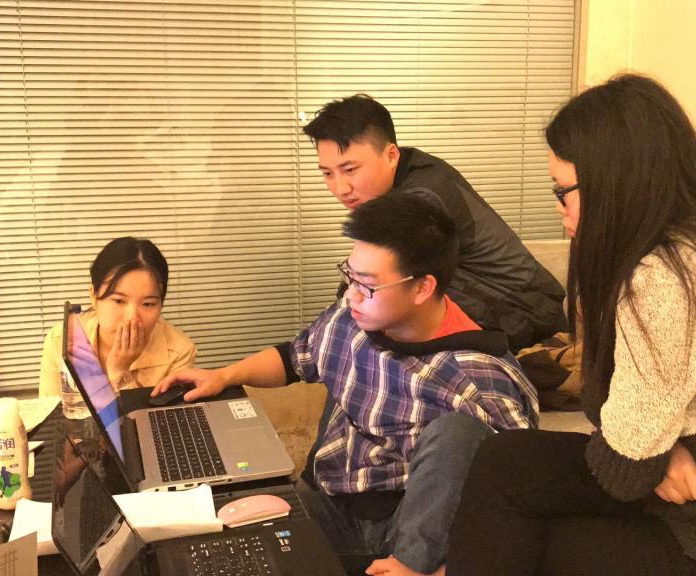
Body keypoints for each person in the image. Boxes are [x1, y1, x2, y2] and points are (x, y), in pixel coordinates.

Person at [444, 74, 696, 576]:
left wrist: (651, 457)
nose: (559, 211)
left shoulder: (667, 280)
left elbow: (623, 467)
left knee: (522, 513)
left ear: (616, 183)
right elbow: (608, 410)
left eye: (562, 192)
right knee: (506, 462)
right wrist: (661, 452)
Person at [154, 193, 538, 576]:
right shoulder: (351, 319)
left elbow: (519, 503)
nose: (352, 294)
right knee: (211, 545)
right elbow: (296, 357)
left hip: (410, 533)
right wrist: (223, 376)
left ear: (422, 287)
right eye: (349, 275)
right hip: (331, 504)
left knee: (456, 433)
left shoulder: (480, 376)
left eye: (367, 285)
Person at [303, 94, 567, 352]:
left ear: (391, 155)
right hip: (500, 301)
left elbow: (373, 282)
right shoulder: (402, 173)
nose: (341, 188)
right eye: (327, 173)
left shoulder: (423, 195)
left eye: (350, 170)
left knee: (394, 294)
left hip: (526, 309)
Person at [39, 237, 196, 396]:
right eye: (119, 301)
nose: (132, 317)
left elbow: (162, 413)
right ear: (93, 296)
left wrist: (120, 373)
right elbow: (50, 409)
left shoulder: (179, 352)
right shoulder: (62, 340)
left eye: (148, 304)